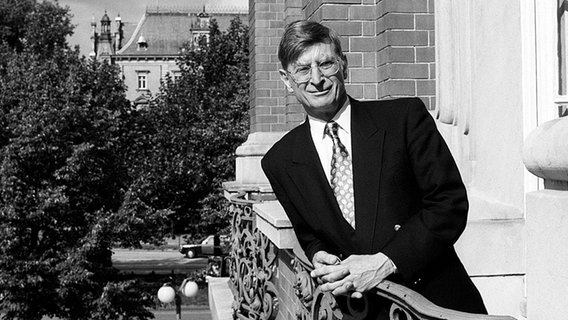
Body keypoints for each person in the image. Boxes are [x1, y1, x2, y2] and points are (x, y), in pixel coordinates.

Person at [261, 20, 487, 317]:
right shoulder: (279, 161)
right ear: (287, 80)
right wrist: (318, 255)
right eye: (303, 70)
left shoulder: (404, 119)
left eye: (326, 64)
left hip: (434, 305)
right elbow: (308, 233)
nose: (316, 79)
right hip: (361, 312)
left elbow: (449, 204)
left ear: (344, 65)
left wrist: (386, 261)